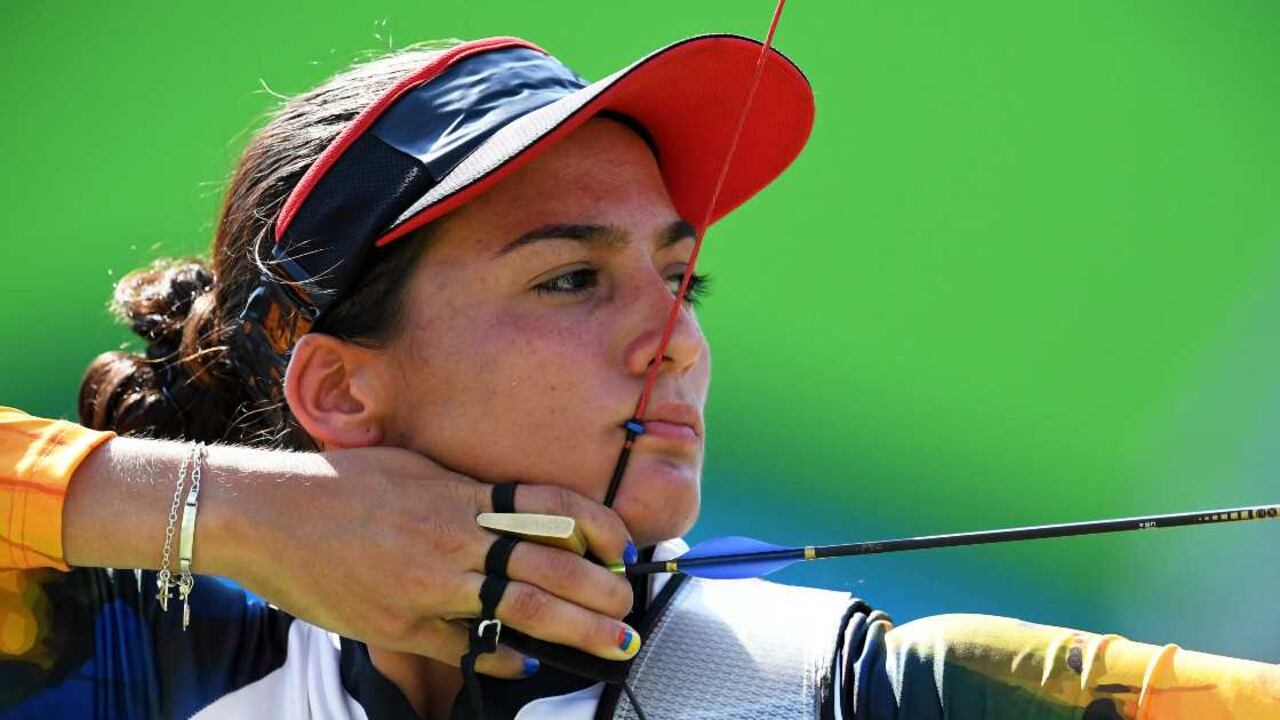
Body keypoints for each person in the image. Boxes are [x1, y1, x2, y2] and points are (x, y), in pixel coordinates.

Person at [2, 33, 1278, 720]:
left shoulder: (858, 693)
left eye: (681, 279)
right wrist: (237, 516)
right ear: (337, 389)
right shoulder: (146, 665)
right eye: (571, 279)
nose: (672, 340)